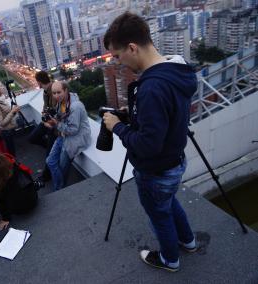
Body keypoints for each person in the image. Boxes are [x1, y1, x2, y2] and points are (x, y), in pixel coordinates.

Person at [102, 12, 197, 272]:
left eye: (118, 56)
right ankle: (188, 241)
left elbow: (146, 145)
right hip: (175, 160)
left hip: (156, 169)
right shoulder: (177, 68)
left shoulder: (152, 88)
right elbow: (165, 115)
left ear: (133, 47)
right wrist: (135, 113)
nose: (119, 63)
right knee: (168, 203)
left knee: (159, 214)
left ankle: (170, 259)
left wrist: (117, 126)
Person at [44, 80, 91, 191]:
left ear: (65, 90)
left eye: (58, 92)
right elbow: (62, 118)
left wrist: (56, 123)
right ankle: (60, 186)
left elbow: (73, 130)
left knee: (61, 167)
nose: (56, 96)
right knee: (50, 161)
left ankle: (59, 189)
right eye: (54, 93)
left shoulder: (75, 106)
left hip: (76, 138)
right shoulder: (62, 102)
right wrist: (52, 120)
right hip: (64, 135)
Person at [28, 70, 57, 183]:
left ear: (39, 82)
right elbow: (47, 108)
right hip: (47, 121)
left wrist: (48, 115)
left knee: (49, 155)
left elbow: (57, 110)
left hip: (54, 124)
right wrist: (44, 112)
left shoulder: (54, 90)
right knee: (32, 138)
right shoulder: (45, 92)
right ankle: (51, 148)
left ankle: (46, 176)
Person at [0, 79, 20, 156]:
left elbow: (7, 113)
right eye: (1, 86)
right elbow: (1, 123)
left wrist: (14, 110)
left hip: (10, 130)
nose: (3, 87)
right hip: (6, 132)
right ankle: (14, 167)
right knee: (12, 154)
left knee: (13, 152)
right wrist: (13, 111)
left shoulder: (2, 99)